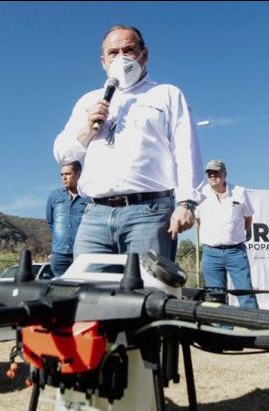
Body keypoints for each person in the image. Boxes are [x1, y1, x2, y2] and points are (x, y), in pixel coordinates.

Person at [53, 24, 203, 261]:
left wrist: (186, 203)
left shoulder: (166, 94)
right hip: (94, 215)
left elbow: (187, 152)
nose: (121, 57)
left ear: (144, 54)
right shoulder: (89, 101)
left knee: (147, 293)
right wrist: (87, 128)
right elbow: (62, 153)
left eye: (128, 49)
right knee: (88, 294)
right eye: (113, 53)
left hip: (149, 213)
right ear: (103, 61)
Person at [196, 159, 258, 310]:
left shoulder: (239, 192)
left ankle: (255, 331)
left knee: (246, 295)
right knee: (216, 300)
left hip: (236, 252)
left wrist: (234, 235)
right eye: (210, 172)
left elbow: (248, 218)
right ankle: (222, 333)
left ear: (225, 174)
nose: (213, 175)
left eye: (216, 172)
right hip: (210, 254)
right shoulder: (200, 194)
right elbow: (197, 220)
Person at [45, 161, 91, 276]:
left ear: (78, 174)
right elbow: (51, 223)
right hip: (59, 254)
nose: (64, 178)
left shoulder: (89, 197)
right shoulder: (54, 196)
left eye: (68, 174)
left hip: (82, 253)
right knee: (59, 289)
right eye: (62, 175)